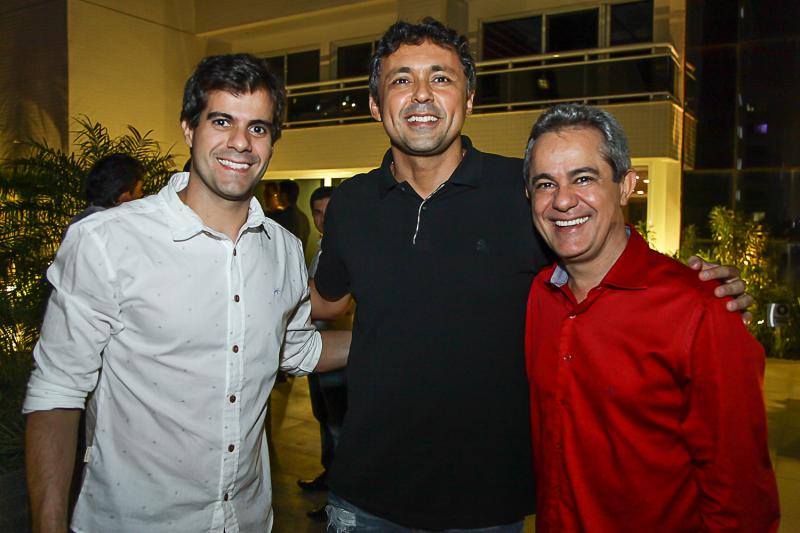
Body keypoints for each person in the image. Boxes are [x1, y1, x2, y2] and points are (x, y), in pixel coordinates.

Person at [311, 18, 752, 532]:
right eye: (402, 79)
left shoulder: (527, 192)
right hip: (365, 496)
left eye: (441, 78)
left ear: (469, 99)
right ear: (374, 103)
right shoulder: (351, 203)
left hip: (486, 504)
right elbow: (326, 304)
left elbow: (610, 266)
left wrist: (698, 292)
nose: (422, 94)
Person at [24, 53, 348, 533]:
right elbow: (56, 390)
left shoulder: (282, 248)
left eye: (258, 128)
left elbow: (297, 348)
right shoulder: (108, 241)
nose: (241, 142)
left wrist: (402, 336)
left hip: (247, 520)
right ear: (189, 128)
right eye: (222, 121)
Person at [523, 104, 780, 532]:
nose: (563, 200)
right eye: (545, 183)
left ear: (626, 186)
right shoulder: (539, 296)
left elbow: (741, 496)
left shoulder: (701, 309)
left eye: (584, 178)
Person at [297, 185, 349, 522]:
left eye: (329, 212)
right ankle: (329, 479)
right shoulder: (321, 248)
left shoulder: (348, 250)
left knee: (340, 427)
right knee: (325, 420)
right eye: (317, 212)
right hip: (315, 350)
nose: (322, 219)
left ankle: (340, 500)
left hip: (340, 353)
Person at [68, 153, 145, 226]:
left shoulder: (79, 223)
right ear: (123, 196)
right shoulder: (115, 227)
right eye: (140, 191)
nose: (142, 195)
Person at [270, 179, 311, 249]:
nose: (277, 196)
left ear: (284, 195)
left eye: (278, 193)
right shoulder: (304, 217)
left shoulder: (282, 217)